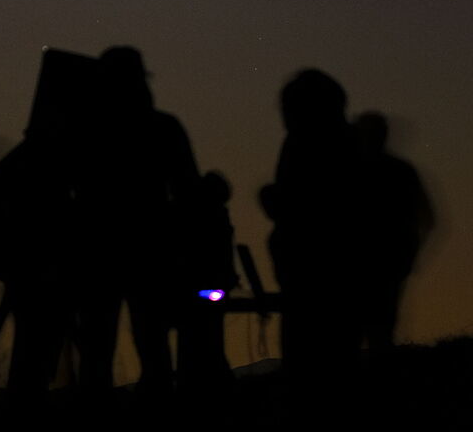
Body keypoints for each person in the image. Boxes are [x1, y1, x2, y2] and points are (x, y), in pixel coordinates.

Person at [72, 46, 199, 393]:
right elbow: (188, 190)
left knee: (101, 348)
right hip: (147, 249)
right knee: (148, 341)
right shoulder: (162, 128)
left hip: (107, 250)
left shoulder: (85, 133)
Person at [260, 68, 356, 378]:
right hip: (318, 263)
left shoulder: (309, 145)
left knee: (312, 348)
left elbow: (305, 205)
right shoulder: (342, 142)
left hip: (316, 264)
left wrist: (277, 202)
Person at [349, 112, 434, 354]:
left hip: (370, 263)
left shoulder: (351, 171)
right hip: (384, 262)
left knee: (366, 331)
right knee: (380, 330)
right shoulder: (400, 170)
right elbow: (426, 218)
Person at [173, 170, 239, 390]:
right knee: (205, 340)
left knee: (200, 341)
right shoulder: (214, 219)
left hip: (204, 290)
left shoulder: (207, 218)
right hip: (204, 290)